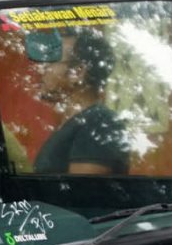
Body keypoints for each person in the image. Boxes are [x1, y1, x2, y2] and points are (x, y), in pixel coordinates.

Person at [31, 29, 130, 176]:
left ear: (77, 72)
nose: (43, 68)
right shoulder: (78, 123)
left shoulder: (98, 123)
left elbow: (81, 194)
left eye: (51, 61)